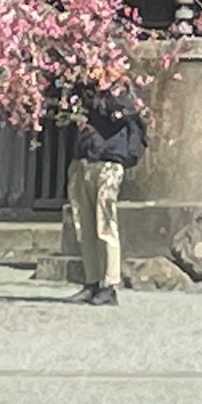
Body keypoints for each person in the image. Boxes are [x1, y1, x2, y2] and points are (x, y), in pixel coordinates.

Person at [65, 71, 144, 304]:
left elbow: (121, 114)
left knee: (106, 225)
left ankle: (110, 284)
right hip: (84, 160)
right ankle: (91, 281)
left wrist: (107, 88)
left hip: (109, 161)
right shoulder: (84, 90)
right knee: (84, 225)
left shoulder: (122, 93)